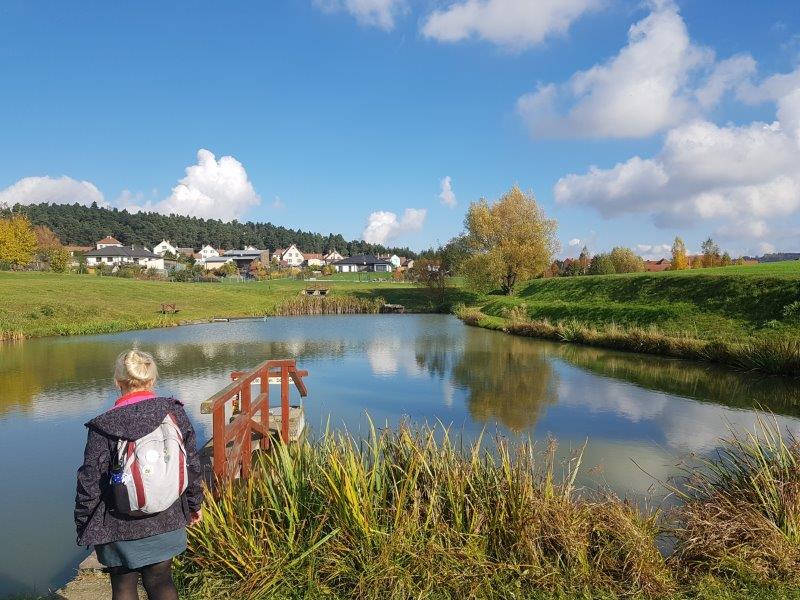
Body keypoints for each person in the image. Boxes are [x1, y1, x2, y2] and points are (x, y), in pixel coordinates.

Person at [75, 349, 203, 600]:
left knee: (123, 587)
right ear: (152, 380)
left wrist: (84, 524)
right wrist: (194, 505)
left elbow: (89, 481)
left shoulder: (105, 425)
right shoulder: (174, 413)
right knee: (161, 582)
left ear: (117, 381)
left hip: (116, 523)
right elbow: (192, 465)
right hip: (167, 515)